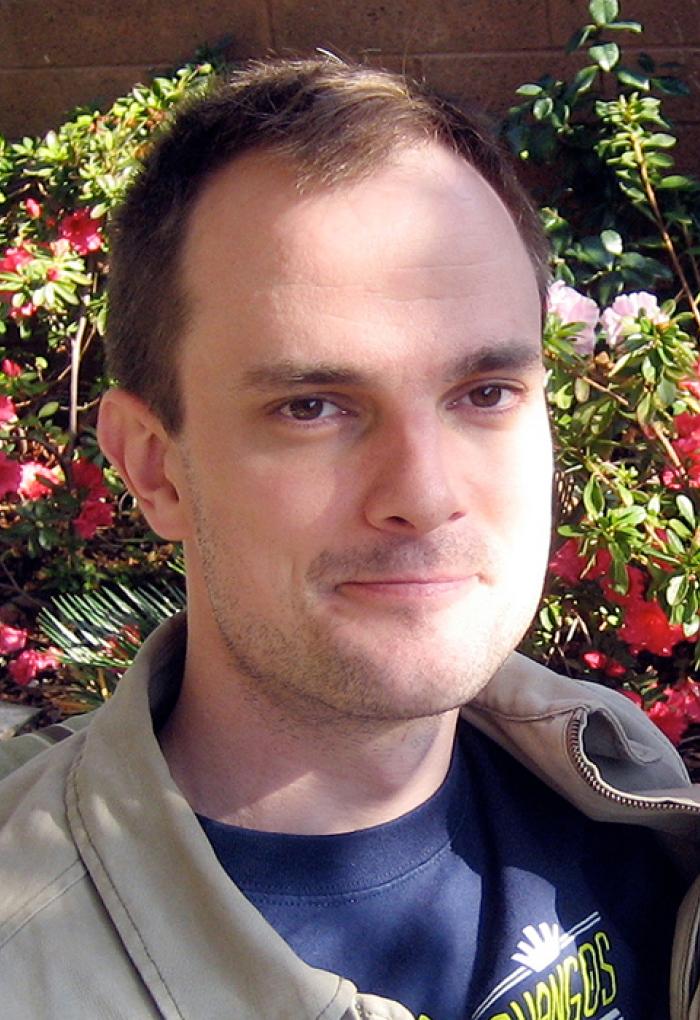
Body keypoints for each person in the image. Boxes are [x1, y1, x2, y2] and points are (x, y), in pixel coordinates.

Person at [1, 56, 699, 1020]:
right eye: (312, 406)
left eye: (485, 394)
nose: (424, 493)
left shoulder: (628, 800)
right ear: (156, 466)